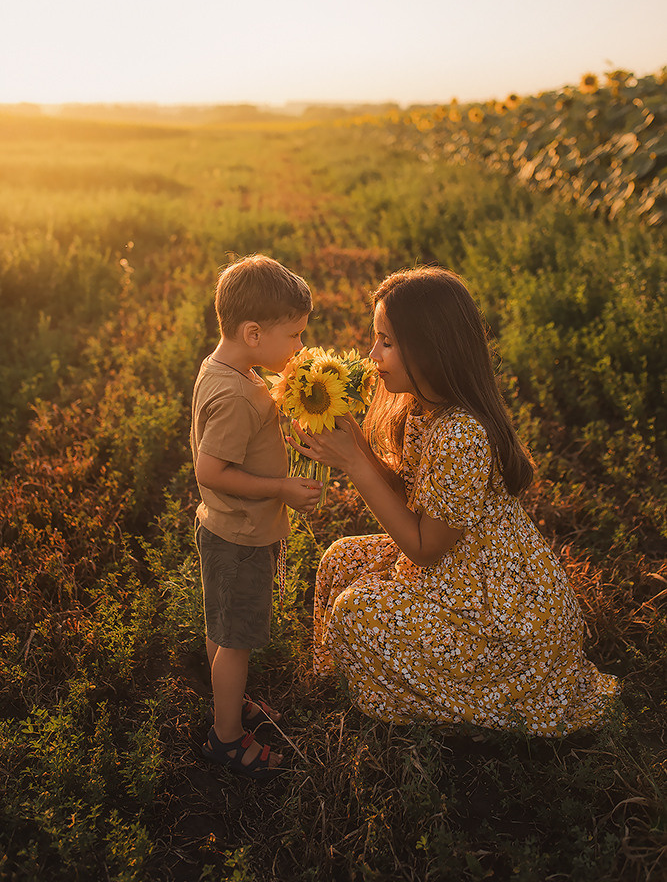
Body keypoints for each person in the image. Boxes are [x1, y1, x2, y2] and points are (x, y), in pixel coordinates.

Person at [291, 267, 618, 736]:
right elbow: (413, 497)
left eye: (386, 342)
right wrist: (353, 444)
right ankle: (345, 687)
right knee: (340, 561)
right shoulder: (426, 409)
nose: (372, 355)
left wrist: (356, 468)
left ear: (429, 347)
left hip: (497, 611)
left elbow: (424, 547)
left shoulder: (462, 433)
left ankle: (467, 710)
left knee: (354, 613)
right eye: (374, 339)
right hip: (457, 571)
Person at [191, 254, 322, 779]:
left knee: (222, 628)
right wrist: (283, 488)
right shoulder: (235, 397)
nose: (299, 347)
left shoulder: (224, 369)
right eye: (293, 336)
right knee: (238, 638)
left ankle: (231, 700)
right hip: (241, 537)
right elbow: (211, 470)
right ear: (252, 332)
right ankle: (226, 739)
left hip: (225, 529)